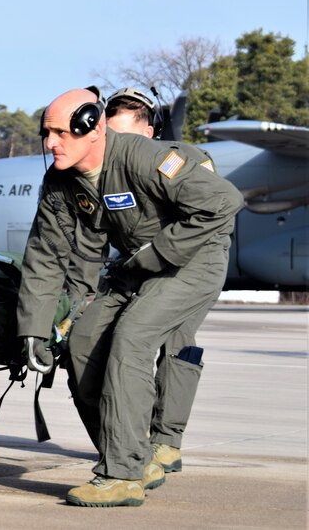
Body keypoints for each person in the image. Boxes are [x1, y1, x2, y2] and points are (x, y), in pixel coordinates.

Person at [16, 87, 242, 507]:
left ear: (94, 128)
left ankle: (121, 475)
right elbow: (46, 254)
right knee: (82, 345)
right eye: (46, 133)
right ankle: (134, 457)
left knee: (132, 339)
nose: (50, 143)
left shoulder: (145, 158)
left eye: (61, 133)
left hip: (195, 259)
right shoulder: (60, 182)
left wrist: (159, 252)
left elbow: (224, 201)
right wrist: (34, 328)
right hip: (138, 265)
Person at [99, 87, 216, 476]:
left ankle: (166, 440)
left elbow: (210, 212)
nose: (115, 144)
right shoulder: (106, 168)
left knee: (177, 340)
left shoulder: (183, 160)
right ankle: (127, 438)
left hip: (188, 263)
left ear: (149, 133)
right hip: (140, 265)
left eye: (125, 136)